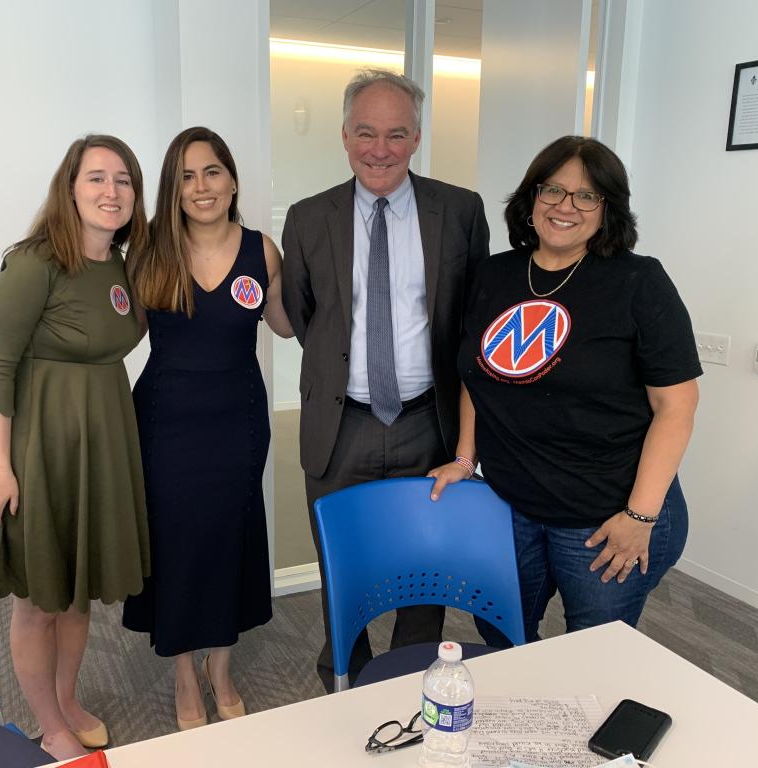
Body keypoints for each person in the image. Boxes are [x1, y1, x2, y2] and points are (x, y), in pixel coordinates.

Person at [429, 135, 701, 644]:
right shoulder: (495, 274)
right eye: (552, 190)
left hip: (605, 519)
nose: (565, 206)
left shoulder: (638, 282)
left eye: (586, 196)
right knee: (502, 633)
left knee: (591, 655)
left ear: (608, 209)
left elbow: (676, 407)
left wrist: (639, 516)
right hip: (512, 505)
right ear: (530, 199)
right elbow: (477, 376)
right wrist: (466, 458)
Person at [281, 69, 490, 690]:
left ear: (417, 137)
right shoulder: (308, 217)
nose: (380, 149)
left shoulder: (460, 210)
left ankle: (415, 670)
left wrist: (470, 441)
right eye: (366, 132)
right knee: (343, 558)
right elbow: (302, 316)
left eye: (395, 134)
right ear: (345, 136)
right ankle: (344, 669)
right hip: (341, 422)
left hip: (430, 417)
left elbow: (473, 319)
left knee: (427, 559)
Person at [0, 135, 150, 759]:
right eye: (97, 178)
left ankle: (69, 699)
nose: (112, 191)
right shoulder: (35, 262)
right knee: (39, 599)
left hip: (101, 443)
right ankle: (48, 722)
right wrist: (0, 469)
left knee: (78, 593)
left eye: (124, 179)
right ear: (69, 188)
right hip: (36, 450)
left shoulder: (124, 265)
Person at [122, 127, 293, 730]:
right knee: (176, 547)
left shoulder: (262, 250)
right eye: (188, 176)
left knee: (229, 542)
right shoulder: (148, 254)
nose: (202, 187)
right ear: (173, 189)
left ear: (232, 180)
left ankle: (221, 668)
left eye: (212, 172)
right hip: (165, 423)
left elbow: (286, 326)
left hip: (238, 421)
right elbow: (123, 334)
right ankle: (182, 674)